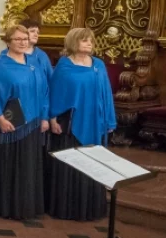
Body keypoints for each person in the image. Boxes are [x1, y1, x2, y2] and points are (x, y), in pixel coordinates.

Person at [0, 24, 50, 221]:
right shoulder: (0, 64)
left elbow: (45, 90)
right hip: (9, 125)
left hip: (33, 123)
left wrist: (44, 117)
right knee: (9, 166)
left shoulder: (34, 62)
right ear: (8, 42)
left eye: (25, 39)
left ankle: (27, 206)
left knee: (28, 167)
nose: (22, 42)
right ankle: (7, 207)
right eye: (18, 39)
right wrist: (0, 118)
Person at [47, 28, 115, 221]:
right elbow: (55, 93)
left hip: (96, 121)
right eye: (84, 40)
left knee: (93, 163)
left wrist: (110, 119)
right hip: (71, 123)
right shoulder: (64, 66)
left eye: (91, 41)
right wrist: (52, 118)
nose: (88, 44)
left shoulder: (99, 65)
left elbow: (106, 94)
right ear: (73, 42)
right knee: (72, 165)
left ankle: (91, 208)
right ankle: (68, 208)